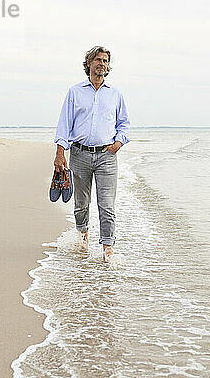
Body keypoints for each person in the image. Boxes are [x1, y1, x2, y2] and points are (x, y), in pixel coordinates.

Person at [53, 46, 130, 262]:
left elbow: (124, 123)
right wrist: (60, 153)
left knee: (106, 205)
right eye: (98, 60)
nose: (102, 64)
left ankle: (108, 252)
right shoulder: (75, 92)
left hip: (107, 156)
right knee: (81, 203)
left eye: (105, 61)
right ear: (88, 63)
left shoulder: (115, 94)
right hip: (79, 154)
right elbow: (64, 125)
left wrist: (117, 143)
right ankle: (83, 238)